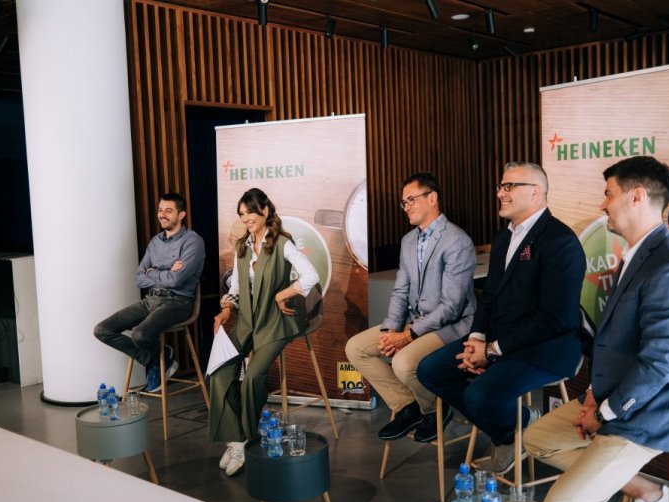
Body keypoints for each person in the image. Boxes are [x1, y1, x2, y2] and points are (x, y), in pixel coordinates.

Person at [524, 156, 669, 502]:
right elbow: (618, 345)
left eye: (608, 194)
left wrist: (603, 413)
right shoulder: (637, 254)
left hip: (655, 410)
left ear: (636, 196)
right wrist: (593, 395)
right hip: (616, 395)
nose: (602, 205)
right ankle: (648, 493)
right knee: (537, 438)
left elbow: (657, 366)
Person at [417, 162, 585, 474]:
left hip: (547, 349)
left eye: (509, 186)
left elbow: (555, 319)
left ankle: (510, 431)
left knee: (478, 397)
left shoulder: (559, 241)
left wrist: (492, 351)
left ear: (535, 192)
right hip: (500, 340)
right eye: (500, 186)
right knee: (430, 370)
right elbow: (490, 295)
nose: (499, 193)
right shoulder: (504, 238)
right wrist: (476, 339)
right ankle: (515, 427)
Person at [345, 172, 477, 443]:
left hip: (451, 326)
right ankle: (408, 405)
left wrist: (407, 336)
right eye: (403, 202)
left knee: (404, 363)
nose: (406, 207)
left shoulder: (457, 240)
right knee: (356, 348)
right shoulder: (408, 241)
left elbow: (451, 307)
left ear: (432, 198)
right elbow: (401, 292)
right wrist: (390, 331)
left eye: (411, 200)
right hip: (416, 321)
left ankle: (435, 410)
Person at [210, 188, 319, 477]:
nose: (246, 218)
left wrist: (284, 293)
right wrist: (226, 309)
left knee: (252, 378)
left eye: (250, 212)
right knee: (219, 373)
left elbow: (311, 275)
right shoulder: (242, 247)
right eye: (242, 214)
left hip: (275, 323)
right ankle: (235, 439)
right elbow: (235, 288)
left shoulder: (282, 243)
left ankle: (247, 439)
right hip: (246, 322)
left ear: (265, 211)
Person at [93, 192, 205, 393]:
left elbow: (176, 280)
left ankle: (157, 361)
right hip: (150, 300)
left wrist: (153, 272)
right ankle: (156, 360)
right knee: (102, 330)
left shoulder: (193, 241)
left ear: (181, 215)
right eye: (160, 210)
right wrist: (167, 271)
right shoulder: (155, 242)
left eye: (168, 211)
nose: (162, 215)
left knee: (140, 334)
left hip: (177, 302)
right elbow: (138, 278)